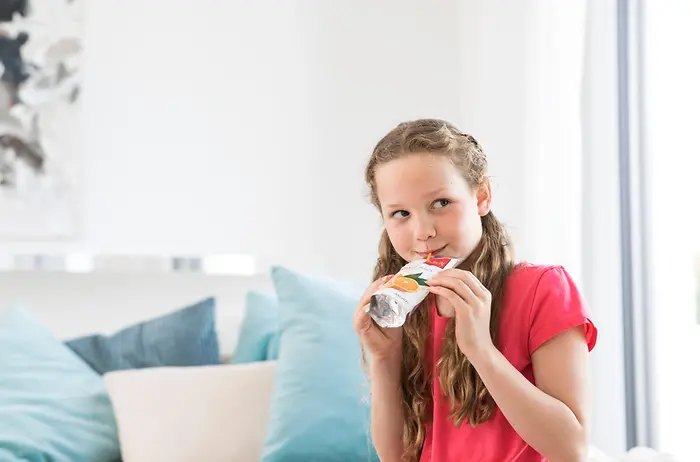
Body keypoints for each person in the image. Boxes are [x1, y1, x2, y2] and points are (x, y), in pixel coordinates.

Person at [353, 119, 598, 462]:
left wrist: (481, 351)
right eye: (400, 213)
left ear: (482, 197)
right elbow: (395, 456)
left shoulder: (543, 289)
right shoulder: (409, 306)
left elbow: (571, 449)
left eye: (440, 203)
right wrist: (383, 359)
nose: (423, 232)